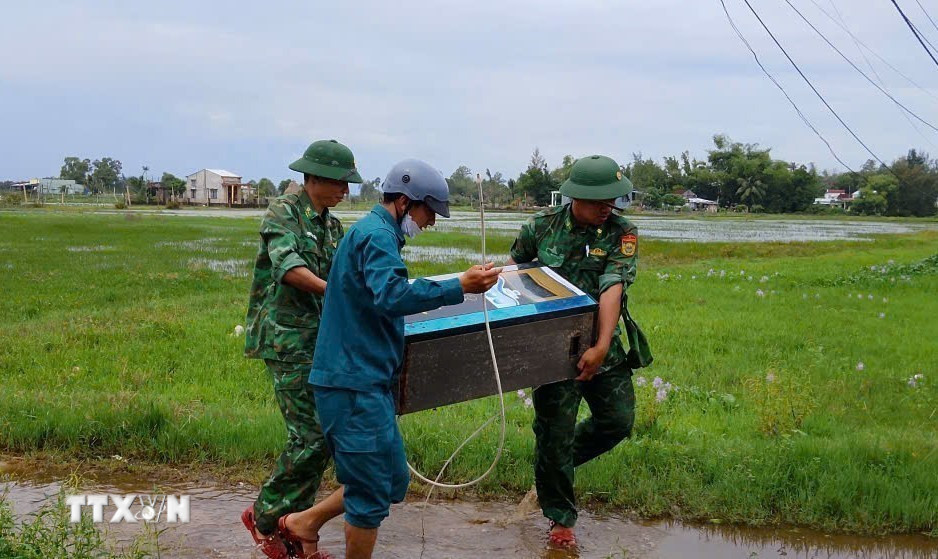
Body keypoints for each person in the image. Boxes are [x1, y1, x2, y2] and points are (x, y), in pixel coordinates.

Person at [305, 158, 500, 559]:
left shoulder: (379, 234)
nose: (431, 223)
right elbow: (392, 295)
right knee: (370, 494)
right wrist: (458, 285)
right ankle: (307, 528)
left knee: (391, 479)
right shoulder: (376, 236)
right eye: (430, 212)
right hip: (352, 384)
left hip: (367, 382)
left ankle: (302, 524)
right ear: (407, 201)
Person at [507, 154, 643, 549]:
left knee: (617, 422)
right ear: (576, 198)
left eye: (613, 201)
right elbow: (515, 273)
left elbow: (612, 285)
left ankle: (553, 472)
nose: (608, 208)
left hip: (603, 345)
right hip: (550, 349)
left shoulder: (622, 231)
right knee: (554, 433)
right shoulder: (539, 226)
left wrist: (600, 346)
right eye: (601, 202)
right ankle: (560, 519)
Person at [241, 139, 362, 559]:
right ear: (313, 177)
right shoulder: (282, 213)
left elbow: (350, 275)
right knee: (310, 436)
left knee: (323, 437)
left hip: (321, 344)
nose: (345, 192)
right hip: (286, 339)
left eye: (348, 185)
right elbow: (288, 268)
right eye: (339, 183)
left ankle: (295, 527)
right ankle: (264, 519)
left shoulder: (332, 227)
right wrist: (334, 294)